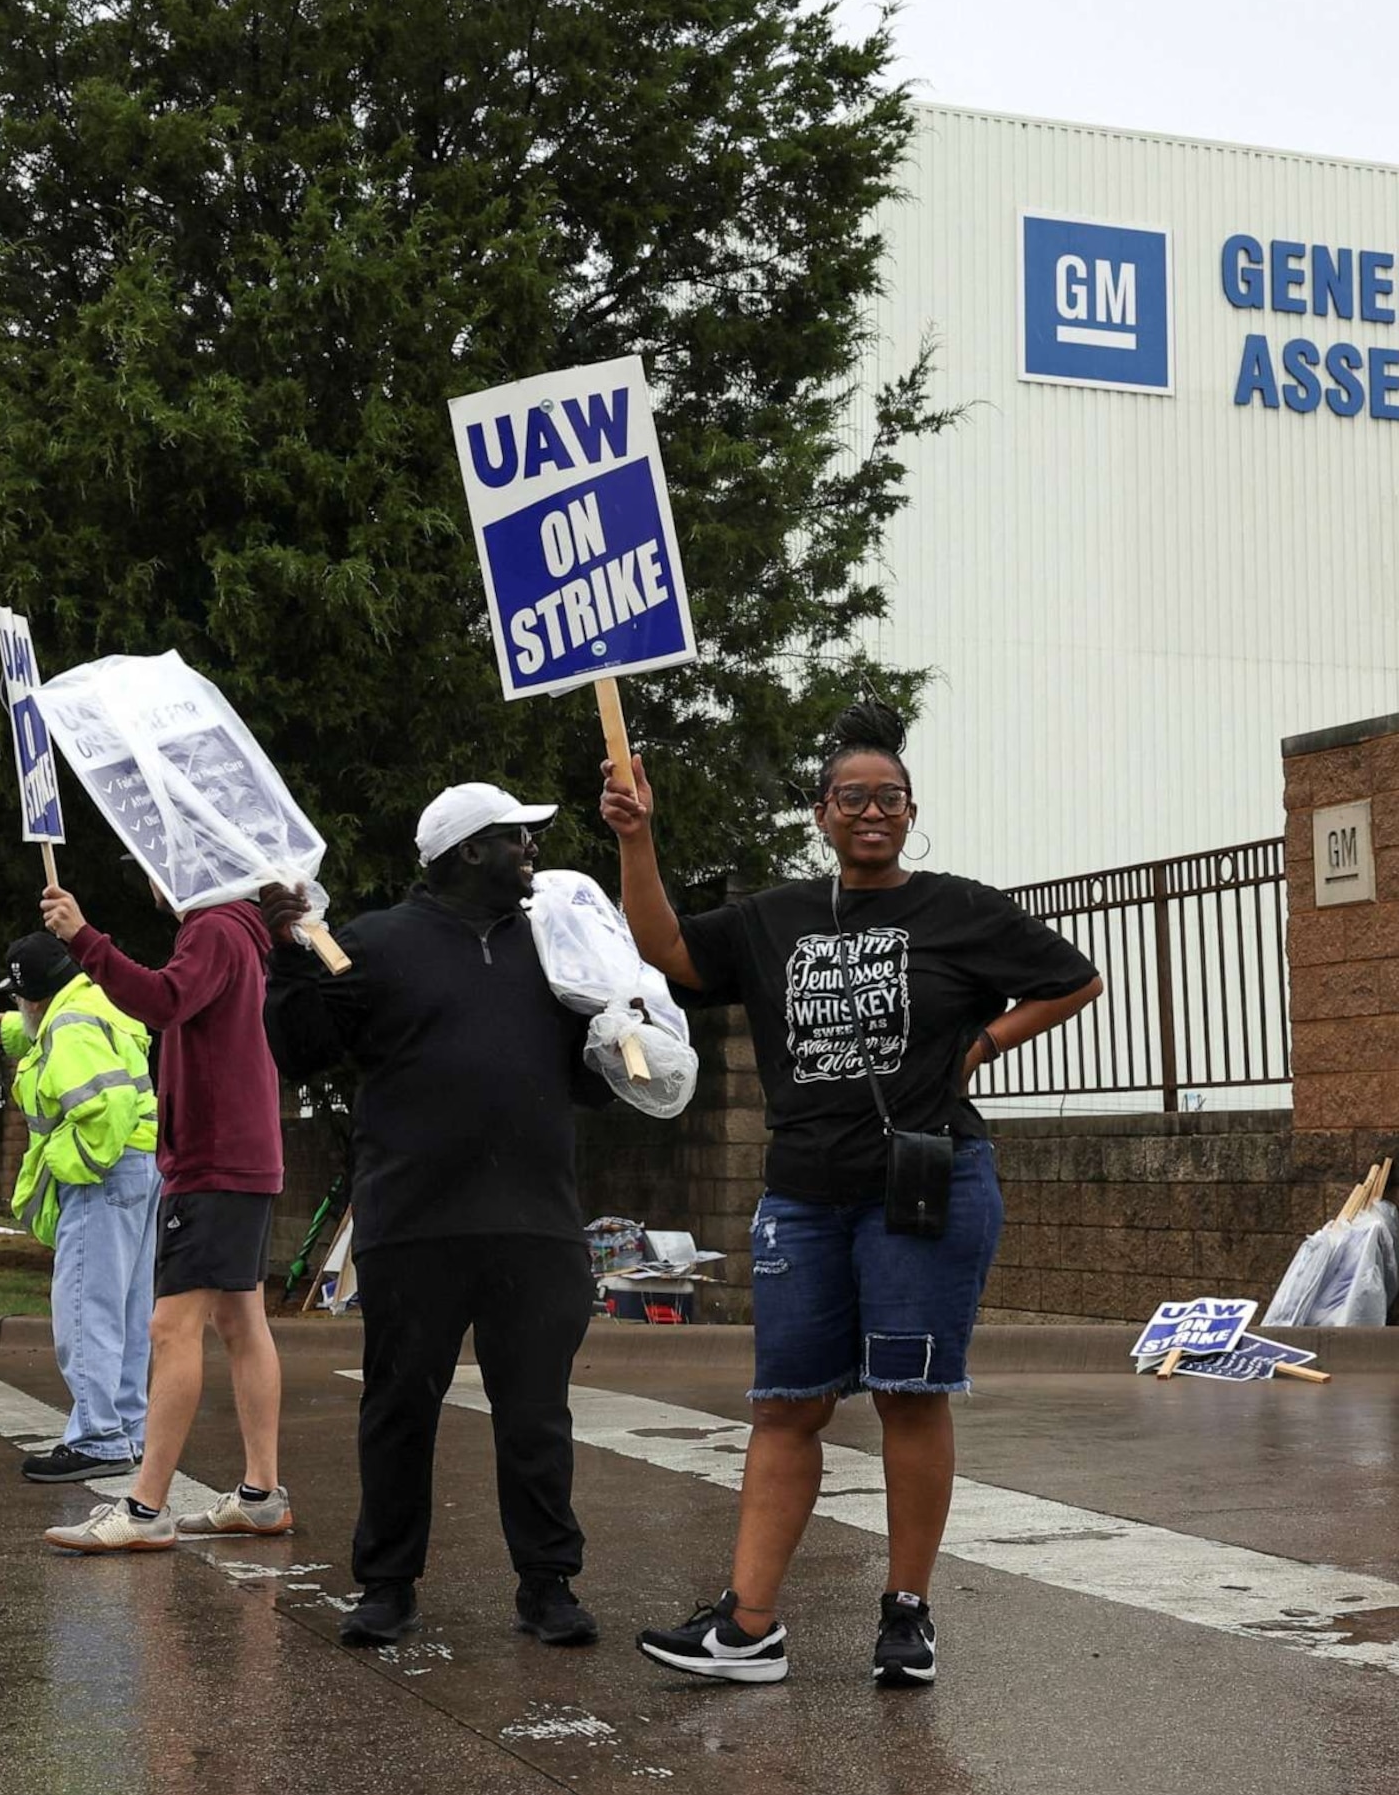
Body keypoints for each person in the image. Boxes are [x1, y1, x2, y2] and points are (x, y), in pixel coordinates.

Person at [609, 704, 1103, 1689]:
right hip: (804, 1194)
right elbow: (664, 948)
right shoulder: (770, 917)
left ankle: (907, 1613)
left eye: (890, 798)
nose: (872, 811)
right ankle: (748, 1626)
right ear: (822, 815)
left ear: (911, 813)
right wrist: (637, 836)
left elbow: (1074, 979)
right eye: (852, 798)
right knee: (786, 1405)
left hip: (926, 1187)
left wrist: (987, 1042)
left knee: (909, 1398)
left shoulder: (960, 909)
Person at [263, 783, 613, 1653]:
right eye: (514, 838)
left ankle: (548, 1584)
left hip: (536, 1221)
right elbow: (302, 1044)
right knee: (398, 1404)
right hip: (415, 1220)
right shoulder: (375, 944)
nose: (531, 848)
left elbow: (589, 1080)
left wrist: (629, 1039)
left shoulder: (557, 947)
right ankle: (386, 1586)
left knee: (536, 1413)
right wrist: (291, 950)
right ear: (467, 851)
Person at [37, 875, 295, 1554]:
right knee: (240, 1320)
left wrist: (81, 936)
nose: (150, 875)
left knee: (171, 1325)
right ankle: (261, 1494)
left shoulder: (212, 927)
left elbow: (162, 999)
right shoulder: (241, 927)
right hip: (243, 1154)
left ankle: (147, 1505)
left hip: (213, 1159)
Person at [0, 929, 161, 1484]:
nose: (18, 1009)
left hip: (101, 1177)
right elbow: (65, 1040)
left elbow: (102, 1105)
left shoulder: (66, 1025)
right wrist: (11, 1030)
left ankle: (97, 1438)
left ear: (33, 996)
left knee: (86, 1311)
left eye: (17, 1001)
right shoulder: (95, 1001)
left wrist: (69, 1165)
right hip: (141, 1167)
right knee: (129, 1314)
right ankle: (125, 1431)